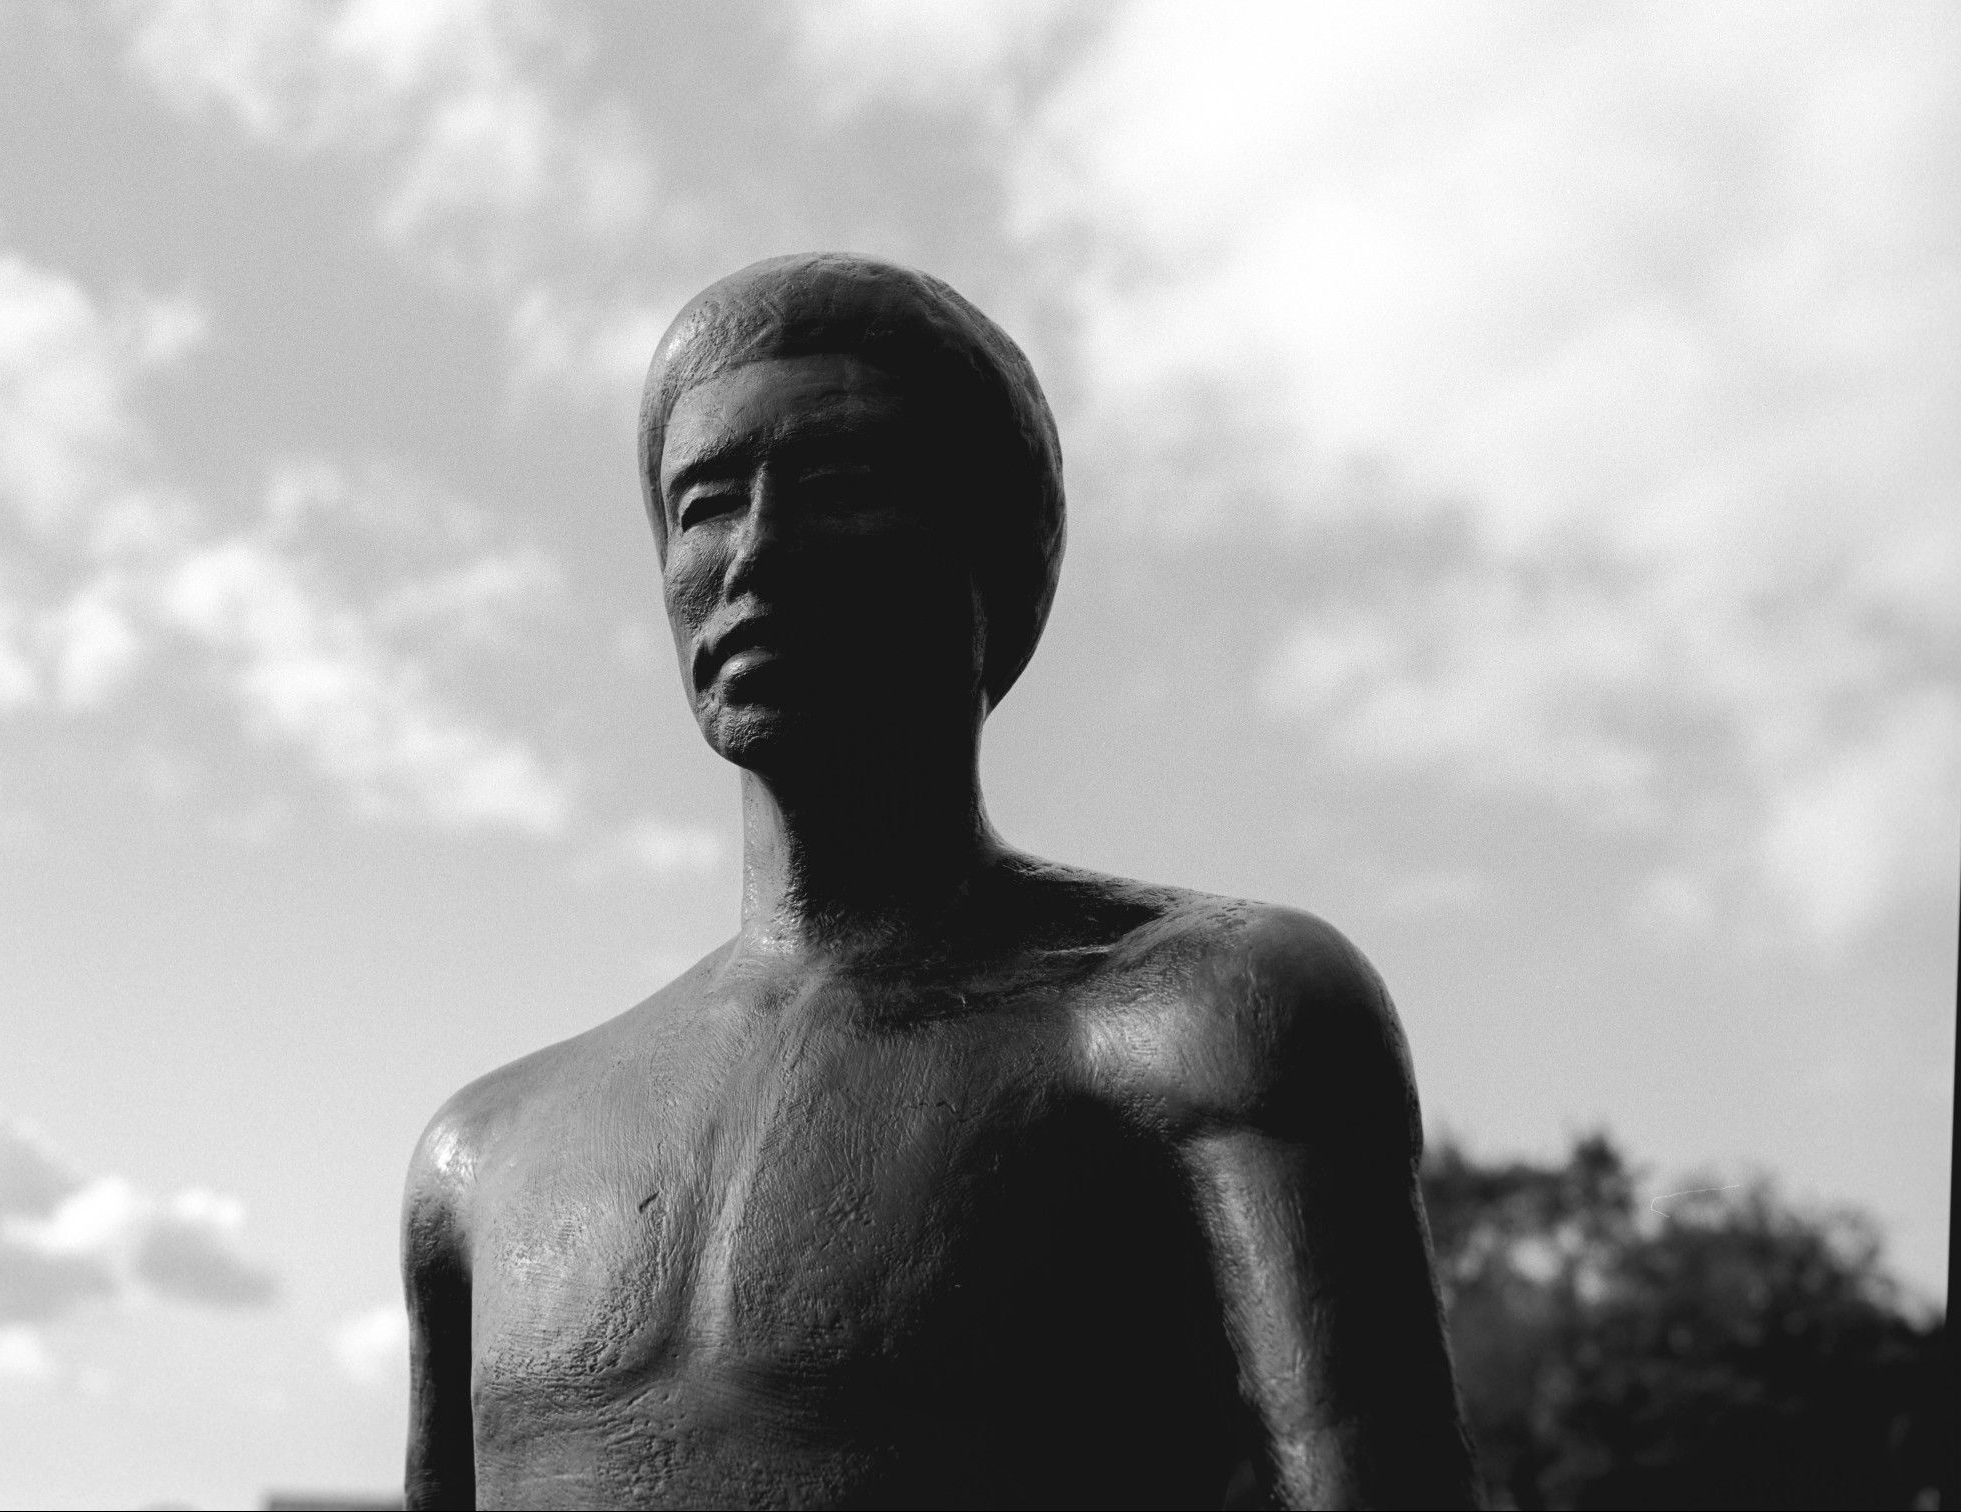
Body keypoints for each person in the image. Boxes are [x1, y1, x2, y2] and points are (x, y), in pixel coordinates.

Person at [402, 253, 1479, 1510]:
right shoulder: (481, 1159)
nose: (755, 552)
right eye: (703, 503)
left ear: (993, 560)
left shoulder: (1203, 1029)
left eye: (840, 484)